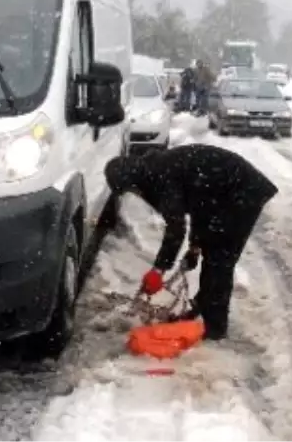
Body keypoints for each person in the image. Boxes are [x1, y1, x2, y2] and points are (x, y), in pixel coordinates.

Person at [105, 144, 278, 340]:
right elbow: (198, 204)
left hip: (243, 192)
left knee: (220, 260)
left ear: (133, 179)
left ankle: (215, 329)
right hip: (219, 196)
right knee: (212, 254)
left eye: (130, 189)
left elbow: (176, 228)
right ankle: (203, 306)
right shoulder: (155, 170)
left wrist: (159, 270)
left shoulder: (162, 177)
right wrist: (195, 246)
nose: (134, 194)